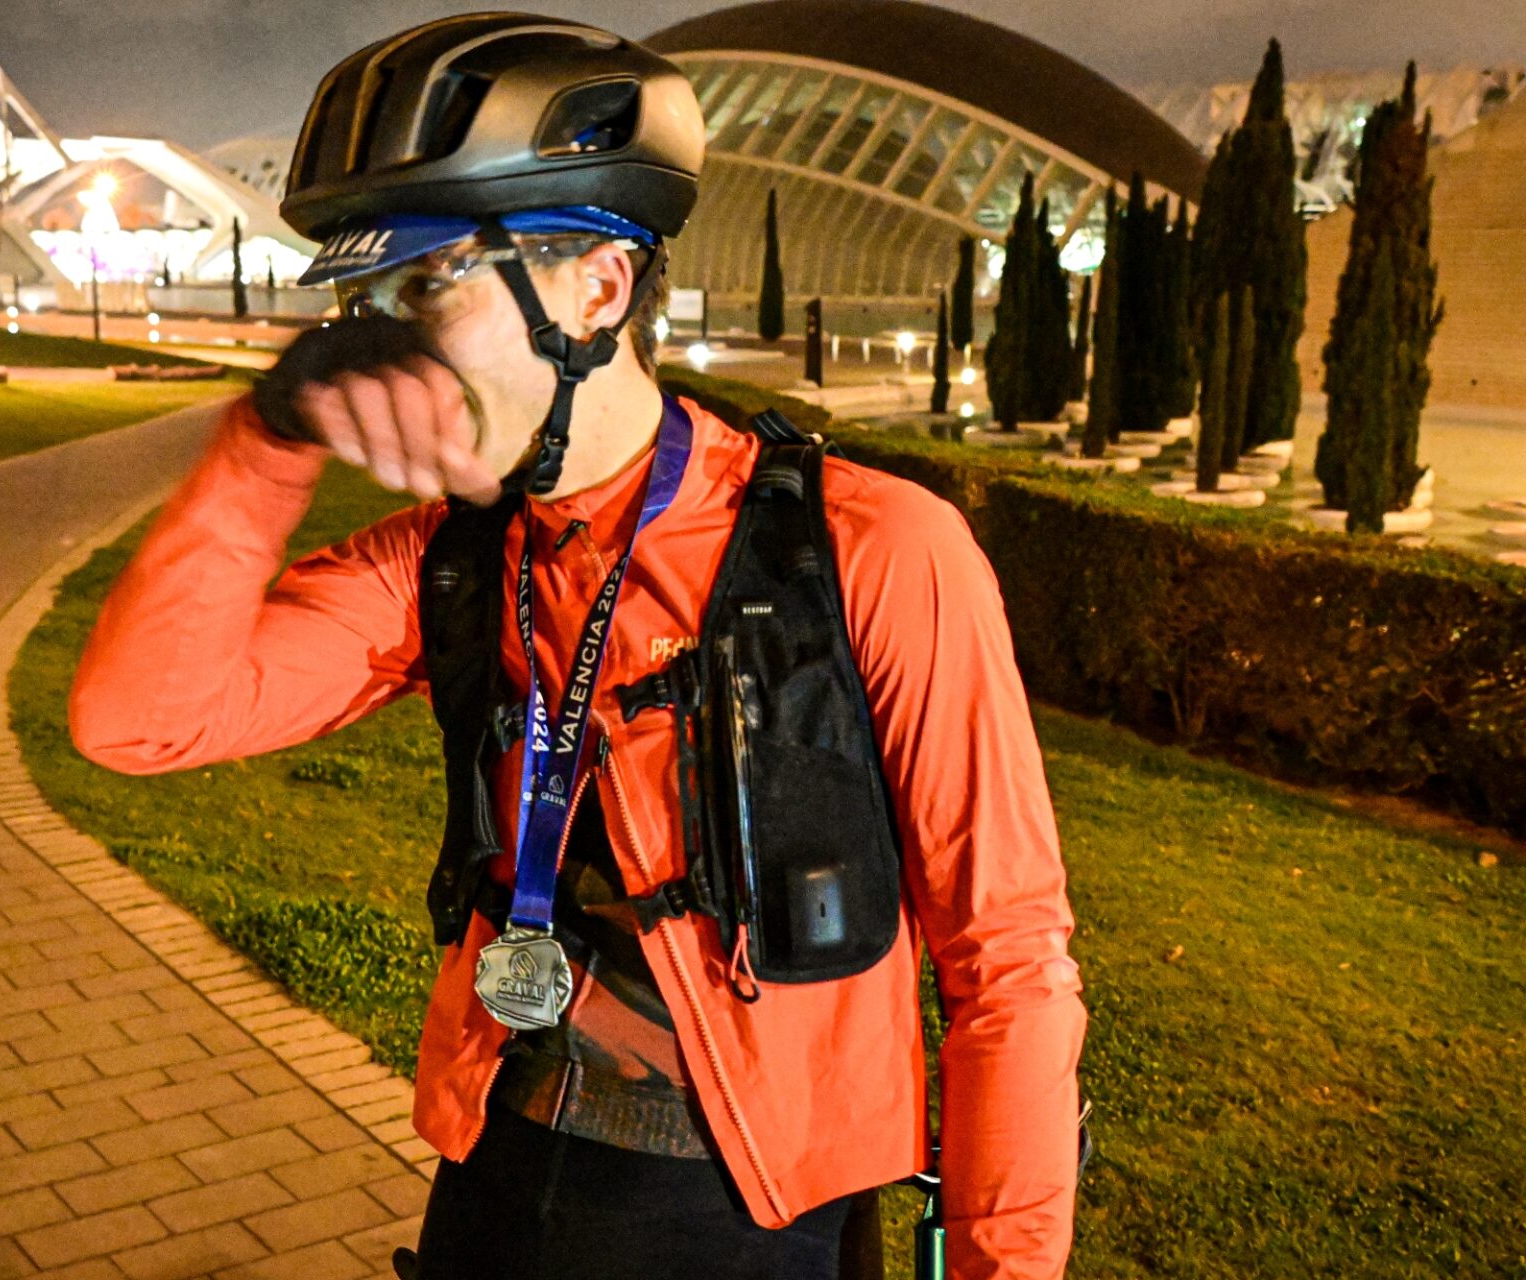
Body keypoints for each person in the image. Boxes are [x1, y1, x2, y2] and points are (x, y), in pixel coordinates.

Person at [68, 13, 1088, 1279]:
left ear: (598, 290)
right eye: (362, 304)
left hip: (750, 1222)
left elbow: (1009, 960)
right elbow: (137, 716)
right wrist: (269, 438)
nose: (386, 352)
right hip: (497, 1177)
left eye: (426, 289)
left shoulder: (872, 548)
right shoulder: (451, 555)